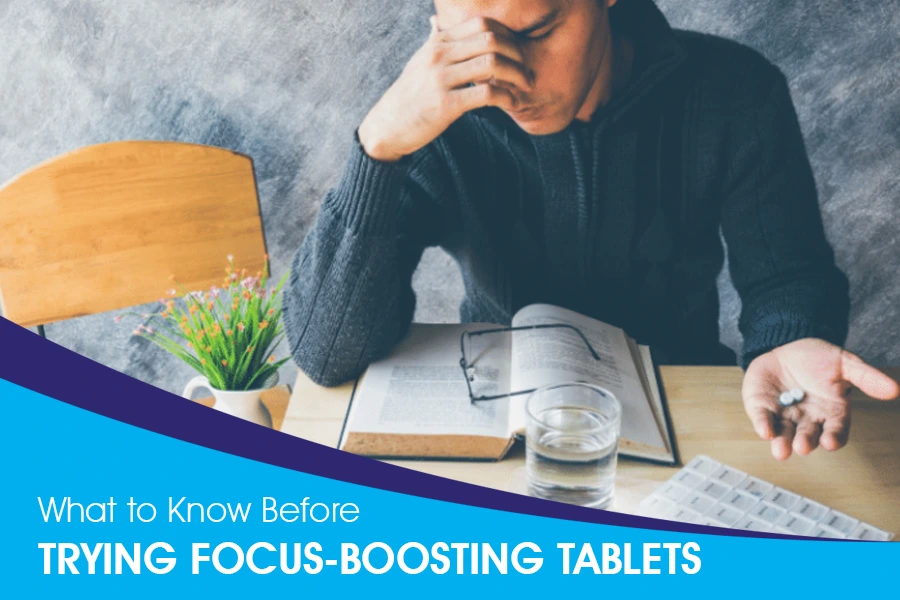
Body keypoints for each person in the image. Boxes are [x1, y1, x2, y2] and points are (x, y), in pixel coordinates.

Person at [282, 0, 899, 460]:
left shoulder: (736, 91)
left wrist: (789, 339)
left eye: (533, 32)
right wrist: (379, 148)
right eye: (463, 41)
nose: (505, 78)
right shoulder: (436, 110)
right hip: (503, 443)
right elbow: (326, 351)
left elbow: (787, 274)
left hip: (687, 425)